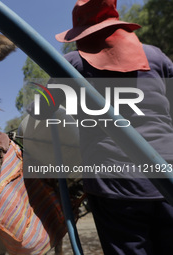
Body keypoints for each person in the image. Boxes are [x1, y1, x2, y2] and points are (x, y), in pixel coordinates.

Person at [55, 0, 173, 254]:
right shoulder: (155, 56)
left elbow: (45, 109)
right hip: (168, 177)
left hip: (115, 186)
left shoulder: (72, 63)